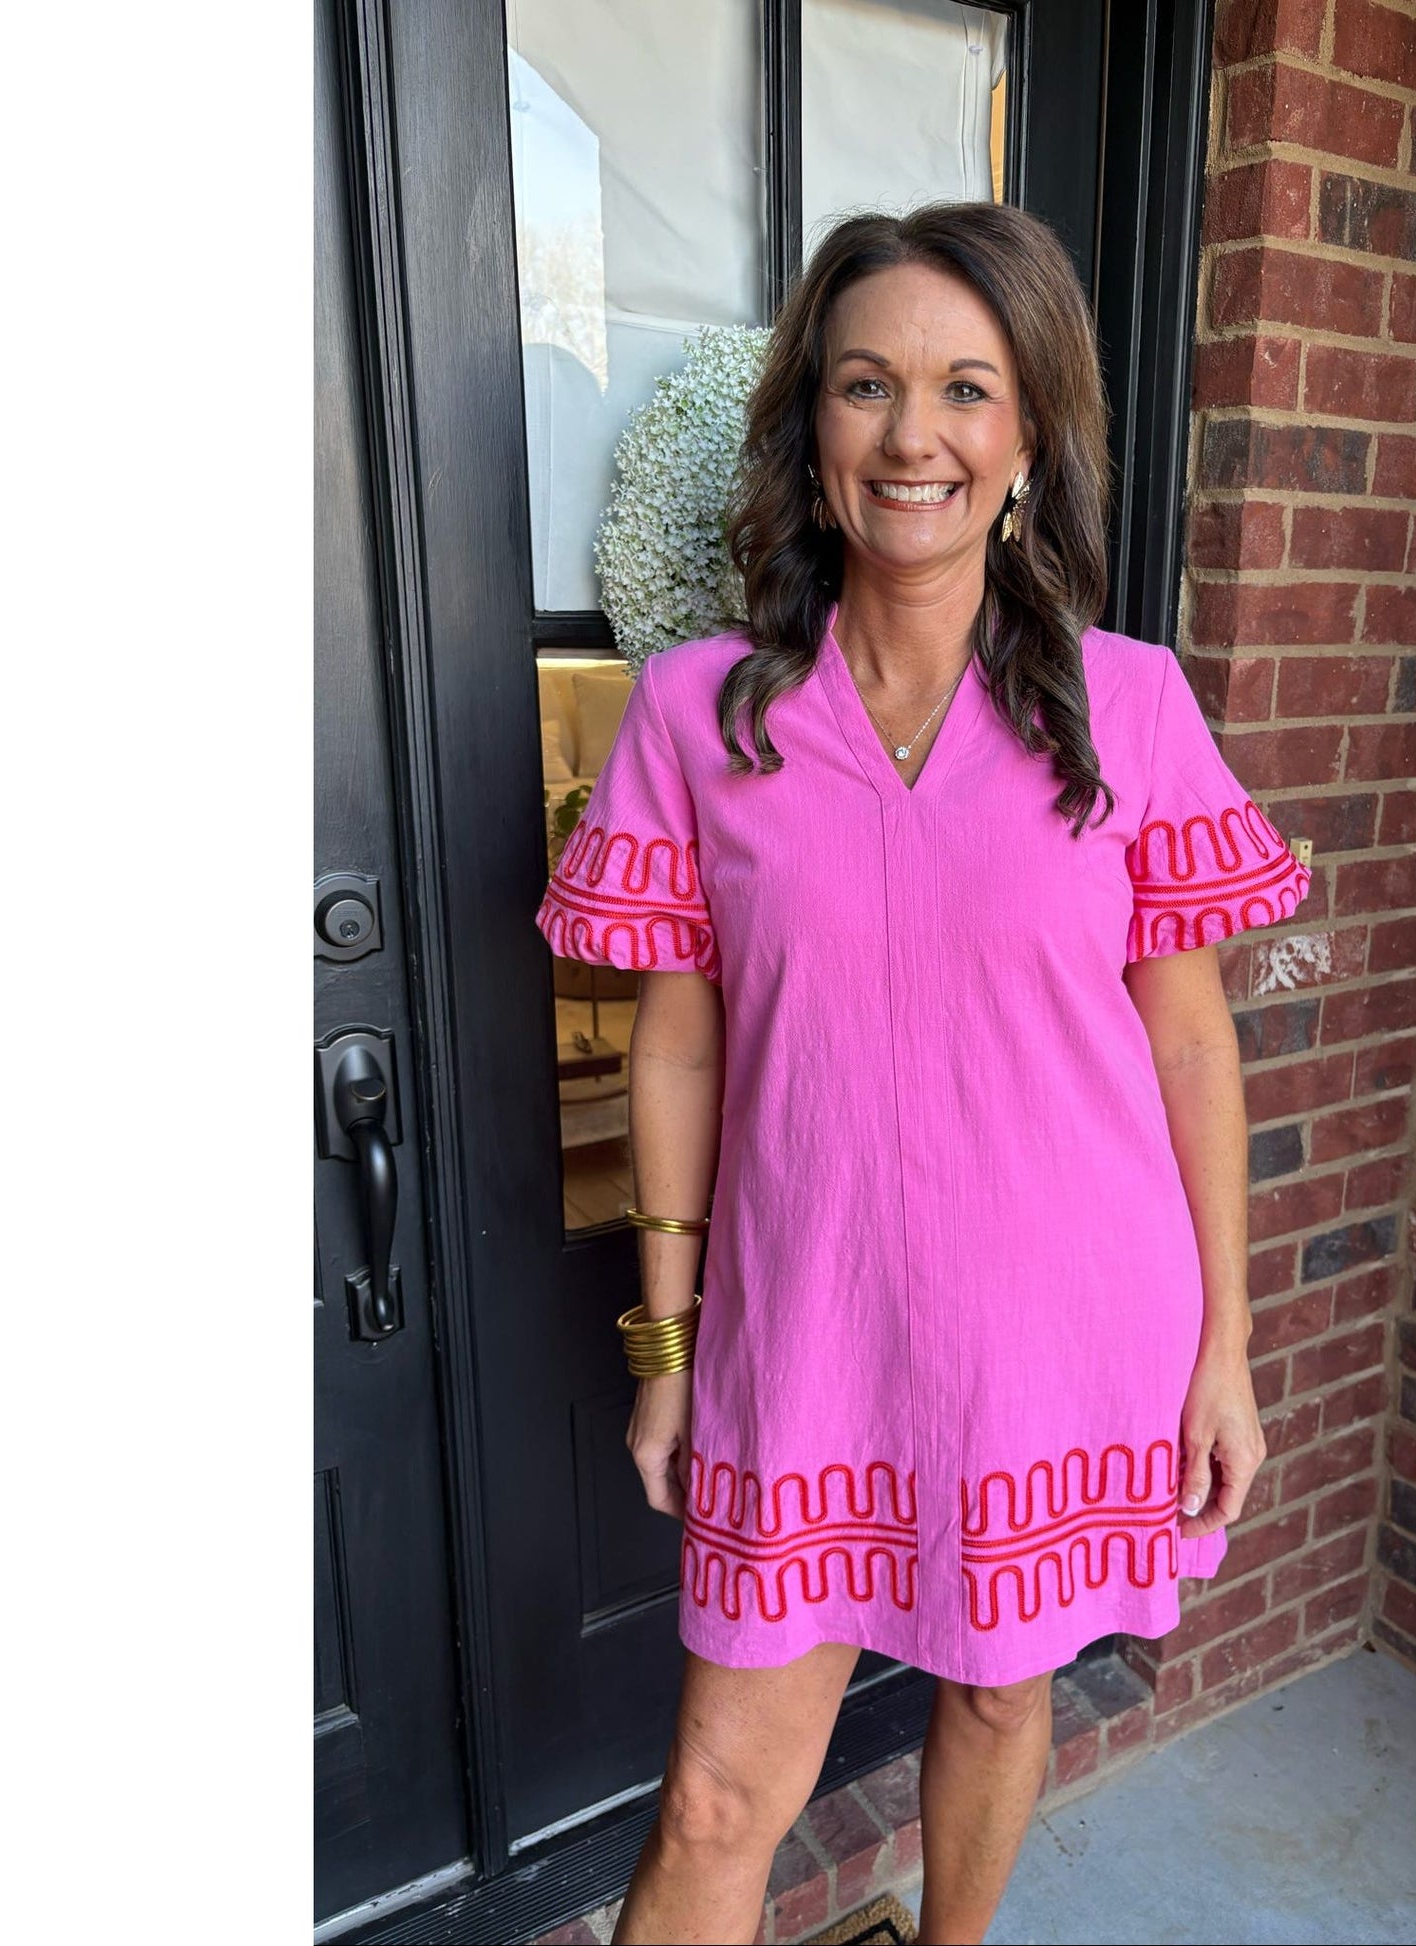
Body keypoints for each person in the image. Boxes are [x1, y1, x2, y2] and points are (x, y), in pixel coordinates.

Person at [534, 201, 1313, 1946]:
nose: (914, 434)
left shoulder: (1128, 707)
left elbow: (1189, 1038)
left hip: (1062, 1328)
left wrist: (1225, 1347)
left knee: (996, 1686)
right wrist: (666, 1344)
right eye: (867, 383)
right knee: (719, 1794)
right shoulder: (698, 715)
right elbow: (679, 1039)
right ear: (811, 430)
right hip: (806, 1329)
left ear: (1026, 439)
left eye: (967, 388)